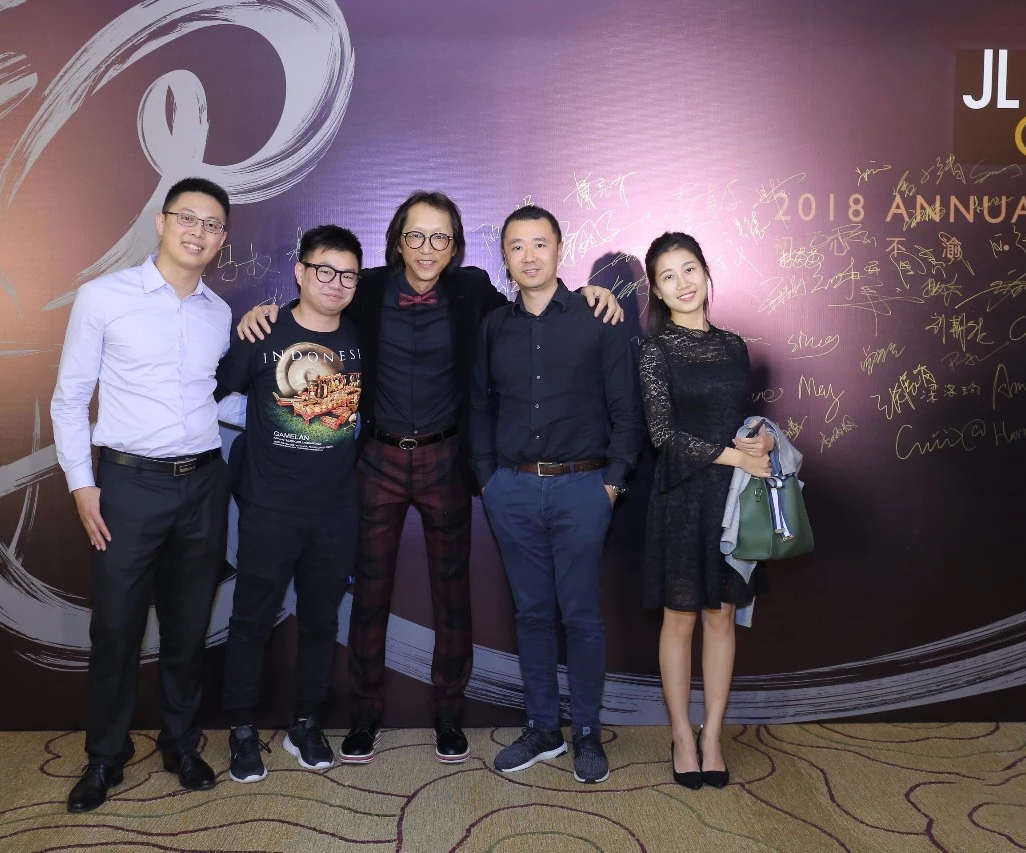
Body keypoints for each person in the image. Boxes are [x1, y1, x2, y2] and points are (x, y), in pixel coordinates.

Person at [235, 192, 623, 764]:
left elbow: (536, 303)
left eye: (440, 237)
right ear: (398, 240)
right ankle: (364, 715)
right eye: (415, 235)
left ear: (455, 246)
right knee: (369, 594)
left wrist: (591, 293)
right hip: (378, 456)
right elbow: (315, 302)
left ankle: (448, 715)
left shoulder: (472, 290)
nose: (426, 248)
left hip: (446, 457)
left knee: (452, 595)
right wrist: (263, 311)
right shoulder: (366, 289)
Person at [51, 177, 233, 813]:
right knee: (116, 627)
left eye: (213, 224)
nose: (199, 232)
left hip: (204, 483)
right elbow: (70, 398)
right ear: (161, 222)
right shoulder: (104, 297)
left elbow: (216, 397)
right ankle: (105, 756)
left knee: (189, 626)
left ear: (222, 239)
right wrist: (82, 484)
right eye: (188, 218)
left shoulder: (219, 314)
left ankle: (180, 743)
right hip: (127, 484)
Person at [470, 204, 644, 784]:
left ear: (559, 249)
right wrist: (488, 480)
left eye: (539, 244)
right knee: (533, 614)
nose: (529, 256)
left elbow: (626, 409)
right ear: (505, 257)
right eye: (517, 246)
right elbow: (478, 406)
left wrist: (612, 483)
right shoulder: (494, 326)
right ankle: (543, 728)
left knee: (582, 616)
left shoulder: (597, 318)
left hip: (584, 489)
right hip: (512, 490)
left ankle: (587, 733)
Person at [216, 225, 364, 780]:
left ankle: (306, 722)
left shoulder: (359, 337)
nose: (335, 282)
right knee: (251, 621)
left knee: (322, 623)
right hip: (270, 509)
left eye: (347, 274)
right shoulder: (263, 331)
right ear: (300, 272)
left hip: (335, 511)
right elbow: (214, 394)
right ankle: (242, 729)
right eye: (324, 270)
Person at [637, 231, 773, 791]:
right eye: (668, 276)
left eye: (689, 269)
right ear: (657, 291)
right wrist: (733, 456)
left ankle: (712, 735)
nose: (682, 283)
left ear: (706, 272)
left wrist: (761, 439)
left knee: (721, 616)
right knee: (681, 618)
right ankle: (681, 735)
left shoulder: (735, 345)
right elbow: (663, 435)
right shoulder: (655, 350)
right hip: (681, 498)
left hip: (732, 501)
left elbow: (739, 418)